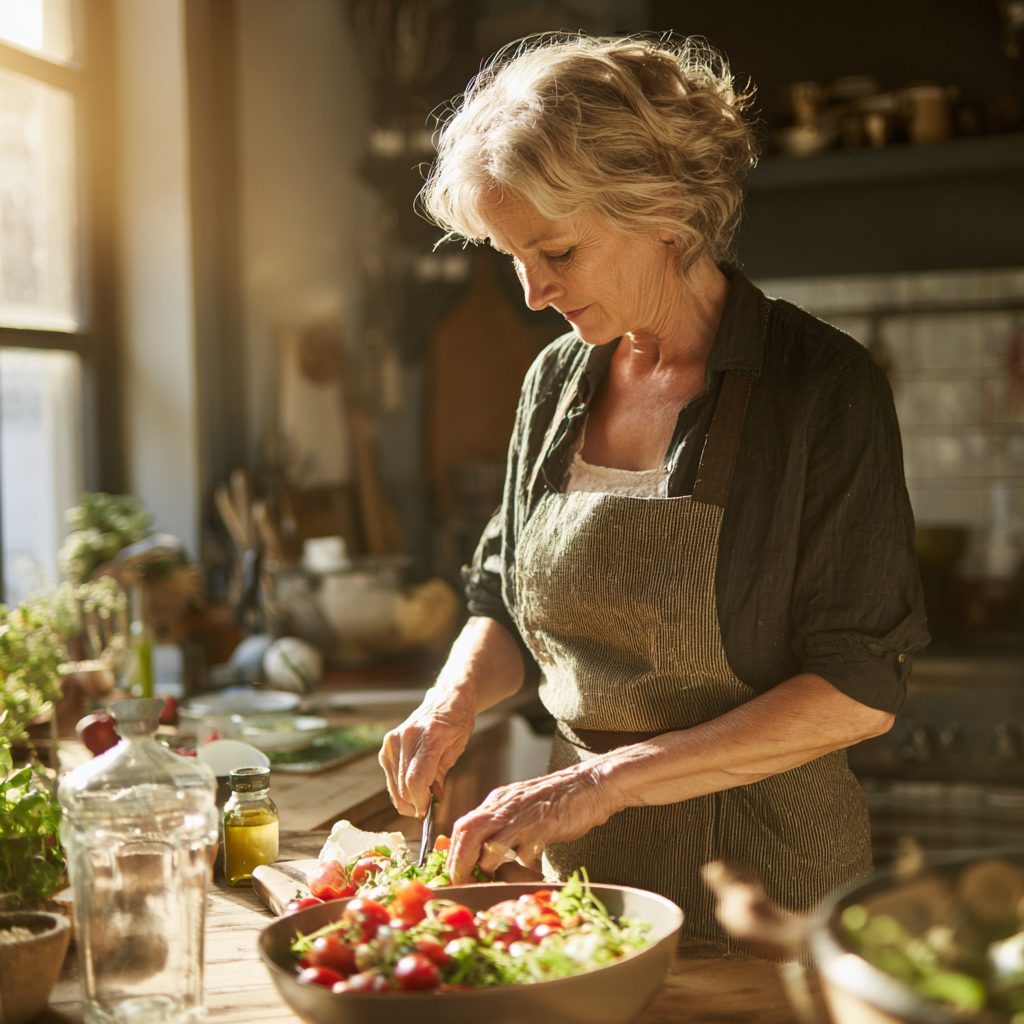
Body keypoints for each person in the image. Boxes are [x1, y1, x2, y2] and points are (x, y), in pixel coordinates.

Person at [379, 34, 929, 944]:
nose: (530, 291)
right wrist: (453, 702)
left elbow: (859, 686)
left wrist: (598, 782)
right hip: (580, 898)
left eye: (554, 249)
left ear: (665, 209)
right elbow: (504, 599)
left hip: (768, 894)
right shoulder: (555, 382)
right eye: (510, 254)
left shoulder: (821, 385)